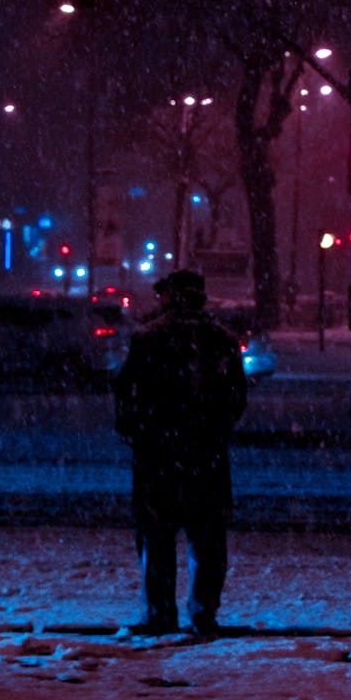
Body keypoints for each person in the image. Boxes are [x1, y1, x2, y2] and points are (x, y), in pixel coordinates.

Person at [114, 270, 247, 637]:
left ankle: (160, 613)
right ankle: (203, 612)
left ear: (170, 297)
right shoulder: (222, 340)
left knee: (157, 537)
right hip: (207, 455)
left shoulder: (149, 338)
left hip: (158, 455)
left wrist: (138, 431)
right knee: (207, 539)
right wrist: (214, 428)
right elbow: (236, 397)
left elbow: (127, 393)